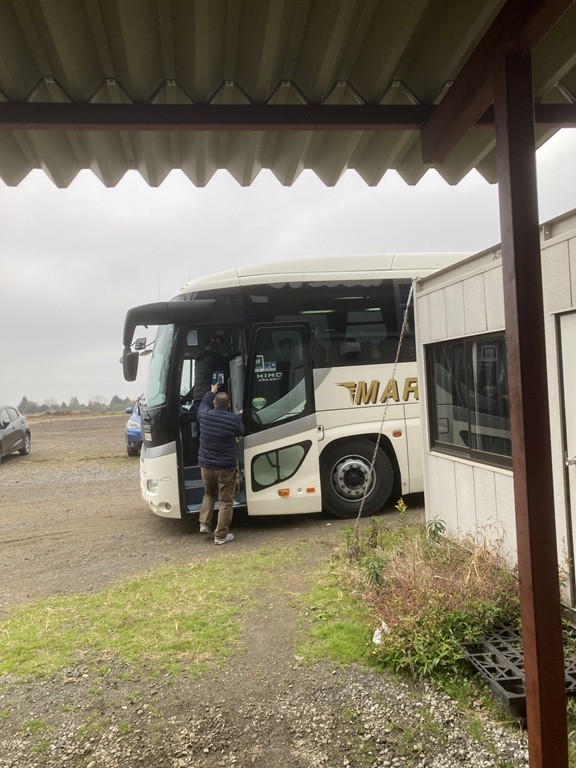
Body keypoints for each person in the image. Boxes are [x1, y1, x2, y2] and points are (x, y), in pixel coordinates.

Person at [197, 382, 244, 545]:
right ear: (228, 405)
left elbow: (203, 405)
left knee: (209, 493)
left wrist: (211, 391)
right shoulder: (232, 420)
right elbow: (241, 431)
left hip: (207, 466)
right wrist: (240, 416)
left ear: (214, 403)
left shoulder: (204, 415)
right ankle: (221, 535)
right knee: (226, 501)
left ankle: (204, 523)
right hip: (225, 468)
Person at [191, 339, 228, 411]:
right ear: (215, 349)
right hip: (209, 395)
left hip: (197, 397)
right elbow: (220, 377)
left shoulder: (198, 360)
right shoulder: (215, 357)